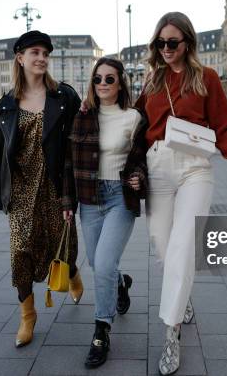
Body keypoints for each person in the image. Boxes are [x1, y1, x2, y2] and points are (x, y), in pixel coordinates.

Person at [135, 12, 227, 376]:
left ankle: (170, 332)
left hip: (195, 168)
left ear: (187, 42)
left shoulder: (206, 78)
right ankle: (182, 293)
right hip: (158, 165)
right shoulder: (152, 81)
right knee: (164, 247)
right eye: (160, 43)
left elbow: (225, 124)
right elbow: (135, 122)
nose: (166, 49)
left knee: (184, 244)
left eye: (172, 42)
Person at [0, 30, 83, 348]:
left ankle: (72, 273)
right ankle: (27, 316)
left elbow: (76, 148)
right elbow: (0, 154)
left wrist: (72, 194)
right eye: (35, 52)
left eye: (46, 53)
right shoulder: (6, 105)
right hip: (20, 192)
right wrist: (0, 195)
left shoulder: (65, 97)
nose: (42, 58)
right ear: (20, 58)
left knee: (64, 247)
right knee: (21, 254)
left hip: (55, 189)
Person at [64, 57, 148, 368]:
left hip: (118, 198)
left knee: (102, 264)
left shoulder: (134, 118)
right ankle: (120, 284)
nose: (102, 84)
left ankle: (102, 330)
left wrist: (139, 176)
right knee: (102, 264)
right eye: (98, 78)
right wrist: (66, 204)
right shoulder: (82, 116)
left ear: (121, 83)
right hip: (88, 199)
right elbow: (69, 164)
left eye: (109, 79)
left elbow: (142, 158)